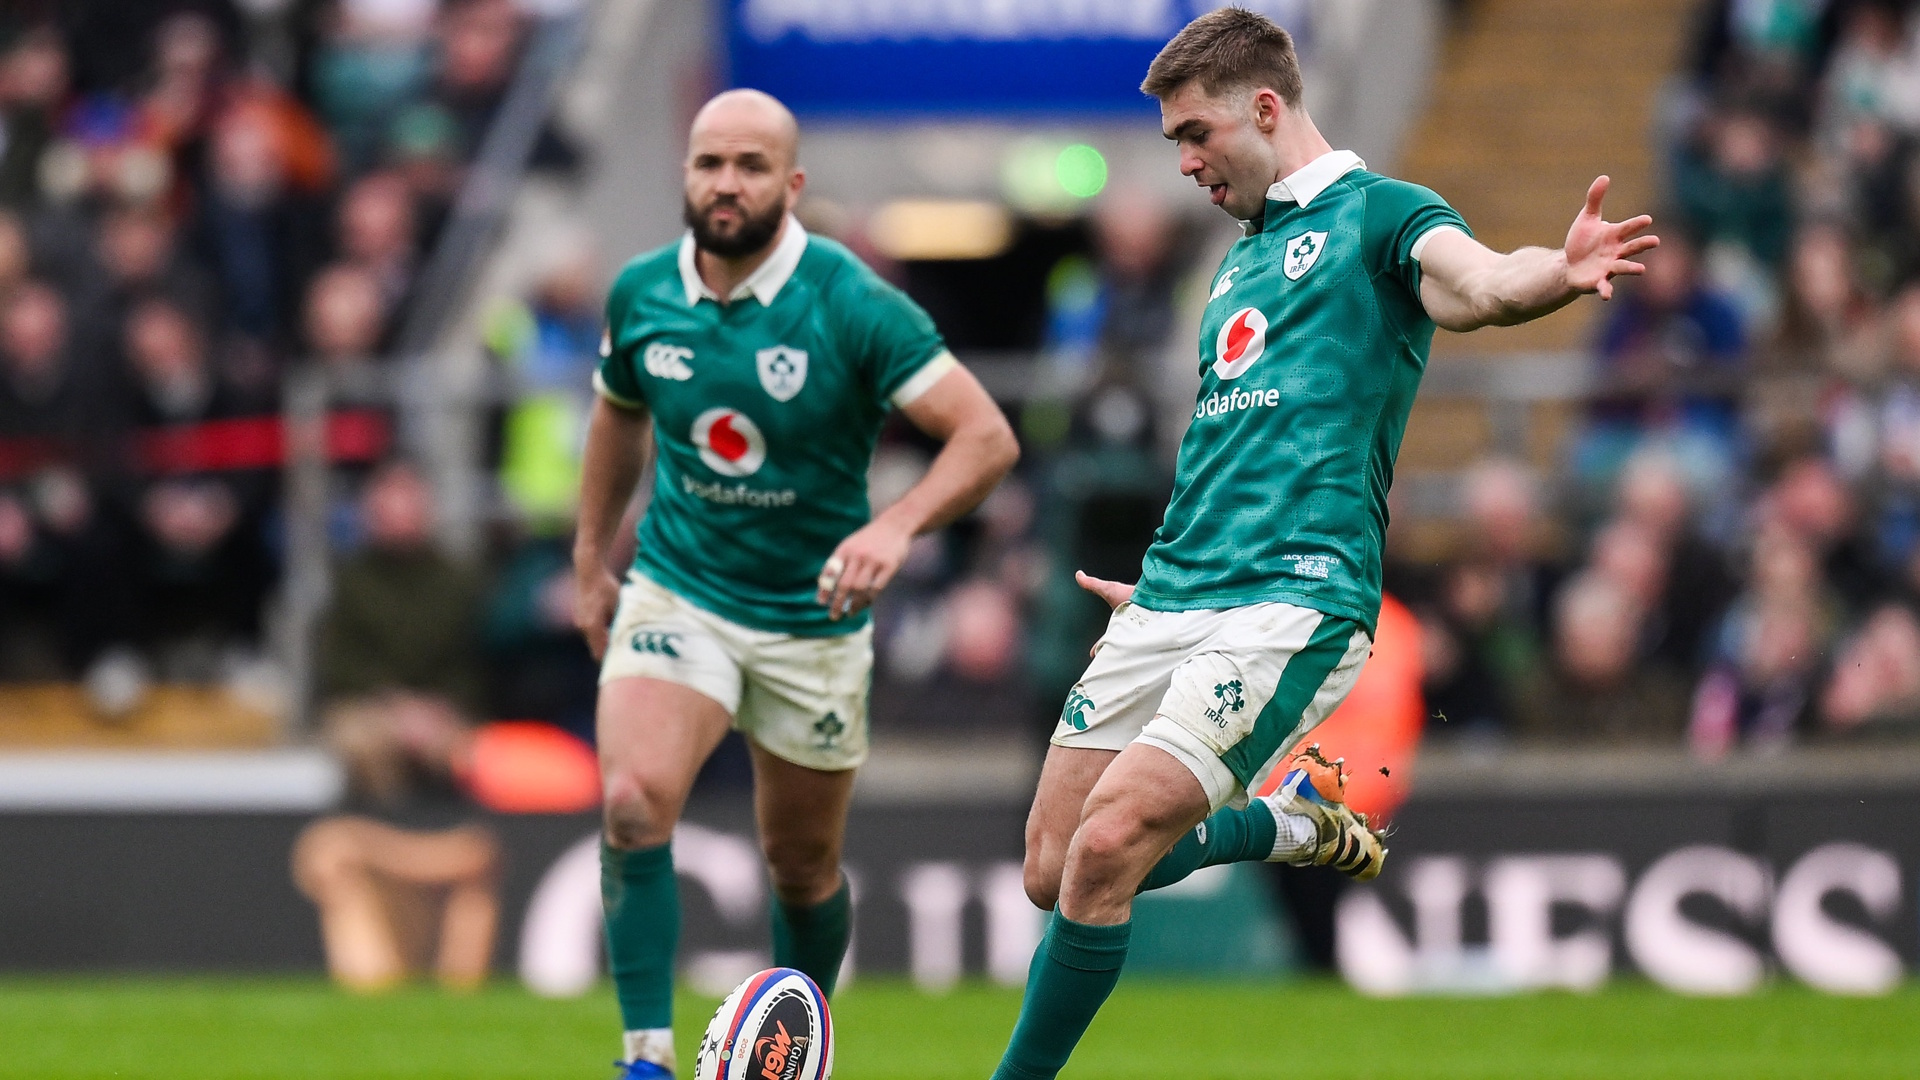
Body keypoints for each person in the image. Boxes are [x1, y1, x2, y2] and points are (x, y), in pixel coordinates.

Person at [987, 11, 1659, 1080]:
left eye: (1197, 134)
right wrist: (1165, 586)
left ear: (1265, 107)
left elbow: (1477, 283)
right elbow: (1228, 453)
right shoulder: (1235, 269)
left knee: (1110, 846)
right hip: (1177, 591)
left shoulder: (1380, 217)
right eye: (1174, 145)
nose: (1187, 162)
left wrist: (1554, 271)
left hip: (1293, 599)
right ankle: (1286, 825)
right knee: (1050, 865)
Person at [572, 89, 1018, 1079]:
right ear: (685, 173)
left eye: (749, 165)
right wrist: (590, 558)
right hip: (678, 588)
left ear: (793, 183)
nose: (725, 183)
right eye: (708, 163)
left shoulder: (853, 304)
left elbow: (986, 436)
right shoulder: (642, 292)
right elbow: (617, 417)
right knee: (634, 801)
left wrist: (896, 526)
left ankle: (792, 1052)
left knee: (804, 868)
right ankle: (645, 1058)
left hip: (813, 619)